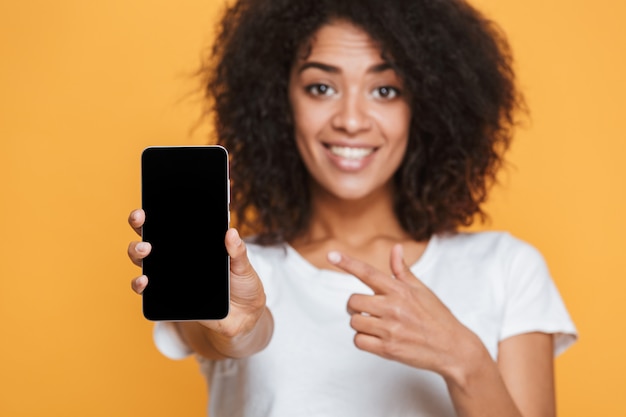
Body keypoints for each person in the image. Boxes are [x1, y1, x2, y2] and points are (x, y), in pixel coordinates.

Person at [127, 0, 577, 415]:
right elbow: (234, 334)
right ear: (278, 102)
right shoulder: (234, 267)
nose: (351, 120)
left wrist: (464, 359)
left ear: (429, 105)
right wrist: (241, 326)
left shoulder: (506, 268)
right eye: (321, 87)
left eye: (385, 90)